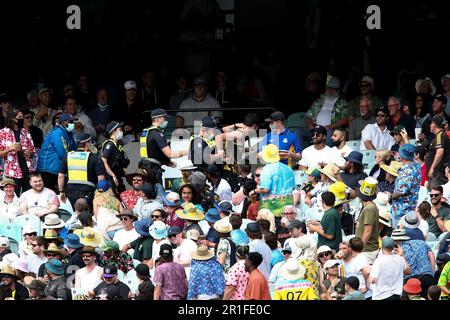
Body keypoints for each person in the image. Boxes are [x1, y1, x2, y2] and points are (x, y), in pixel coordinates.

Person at [58, 133, 106, 209]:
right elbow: (101, 178)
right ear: (87, 144)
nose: (91, 144)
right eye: (90, 142)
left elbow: (61, 176)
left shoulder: (68, 156)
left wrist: (61, 191)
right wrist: (101, 194)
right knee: (88, 214)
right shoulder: (94, 157)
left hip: (71, 192)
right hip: (88, 192)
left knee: (76, 212)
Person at [139, 108, 187, 184]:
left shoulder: (146, 132)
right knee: (157, 191)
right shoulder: (157, 133)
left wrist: (166, 162)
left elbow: (151, 151)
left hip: (144, 167)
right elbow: (170, 154)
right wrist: (187, 151)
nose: (166, 121)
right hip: (153, 170)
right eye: (164, 118)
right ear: (157, 119)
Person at [36, 112, 77, 191]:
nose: (73, 124)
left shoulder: (68, 133)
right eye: (71, 122)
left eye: (73, 121)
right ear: (64, 122)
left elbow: (74, 148)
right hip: (48, 170)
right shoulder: (58, 132)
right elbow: (62, 153)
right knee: (49, 197)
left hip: (57, 169)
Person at [253, 144, 295, 221]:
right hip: (287, 211)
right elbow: (293, 188)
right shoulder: (288, 169)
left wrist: (254, 191)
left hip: (270, 212)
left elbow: (265, 189)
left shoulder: (267, 169)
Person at [392, 229, 436, 298]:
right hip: (427, 276)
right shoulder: (421, 242)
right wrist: (432, 273)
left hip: (411, 281)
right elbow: (431, 256)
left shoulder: (396, 250)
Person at [0, 110, 35, 194]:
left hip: (27, 171)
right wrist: (9, 149)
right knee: (13, 197)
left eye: (23, 117)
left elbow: (33, 151)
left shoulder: (25, 132)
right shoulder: (3, 133)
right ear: (12, 119)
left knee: (28, 197)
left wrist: (30, 153)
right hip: (12, 172)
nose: (22, 119)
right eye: (20, 118)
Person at [306, 77, 348, 145]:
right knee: (297, 132)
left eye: (335, 89)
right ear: (327, 88)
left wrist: (329, 127)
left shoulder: (342, 102)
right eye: (330, 88)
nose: (332, 90)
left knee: (329, 136)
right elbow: (309, 116)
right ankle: (300, 155)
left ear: (338, 90)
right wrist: (311, 127)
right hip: (315, 128)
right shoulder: (319, 101)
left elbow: (344, 120)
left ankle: (324, 155)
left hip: (330, 129)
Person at [390, 144, 422, 228]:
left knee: (399, 237)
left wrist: (389, 196)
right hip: (410, 210)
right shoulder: (416, 165)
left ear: (402, 156)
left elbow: (400, 192)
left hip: (402, 211)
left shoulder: (407, 172)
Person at [355, 177, 380, 264]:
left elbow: (367, 231)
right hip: (366, 249)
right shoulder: (370, 206)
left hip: (367, 251)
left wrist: (359, 248)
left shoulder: (369, 208)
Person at [101, 121, 130, 194]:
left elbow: (115, 162)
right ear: (113, 131)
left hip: (117, 175)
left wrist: (124, 173)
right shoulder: (110, 144)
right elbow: (104, 161)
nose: (121, 132)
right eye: (119, 130)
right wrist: (113, 176)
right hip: (111, 177)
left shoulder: (117, 144)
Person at [426, 115, 450, 186]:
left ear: (434, 124)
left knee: (436, 195)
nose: (430, 125)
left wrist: (432, 168)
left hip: (437, 174)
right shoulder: (440, 135)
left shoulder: (440, 135)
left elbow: (440, 152)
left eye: (431, 123)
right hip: (437, 174)